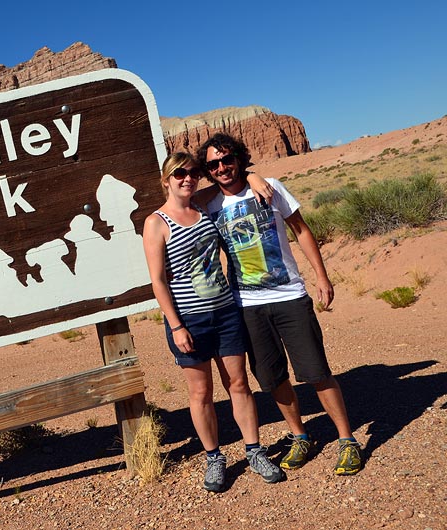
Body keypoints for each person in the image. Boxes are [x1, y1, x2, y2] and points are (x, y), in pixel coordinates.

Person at [197, 133, 364, 476]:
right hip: (246, 305)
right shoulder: (210, 205)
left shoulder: (271, 187)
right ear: (207, 170)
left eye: (227, 159)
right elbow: (177, 196)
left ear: (238, 158)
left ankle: (347, 440)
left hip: (289, 296)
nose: (222, 167)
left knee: (316, 371)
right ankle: (300, 436)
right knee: (272, 377)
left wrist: (322, 276)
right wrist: (249, 175)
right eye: (213, 164)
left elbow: (300, 230)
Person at [142, 152, 285, 492]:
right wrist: (176, 326)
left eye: (193, 172)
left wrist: (252, 177)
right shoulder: (156, 223)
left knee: (238, 384)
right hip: (189, 321)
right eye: (179, 173)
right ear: (166, 180)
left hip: (225, 312)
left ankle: (254, 451)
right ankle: (214, 458)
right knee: (201, 392)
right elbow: (158, 281)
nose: (187, 178)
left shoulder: (203, 205)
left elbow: (231, 183)